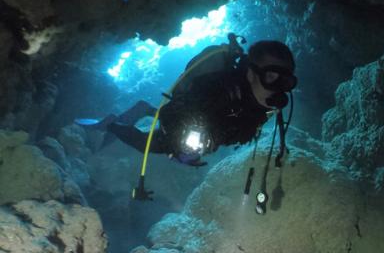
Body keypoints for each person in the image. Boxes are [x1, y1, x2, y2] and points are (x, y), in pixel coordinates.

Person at [78, 38, 297, 167]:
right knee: (149, 145)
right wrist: (184, 148)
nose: (278, 89)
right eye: (271, 77)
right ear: (250, 73)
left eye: (286, 81)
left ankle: (146, 109)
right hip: (180, 118)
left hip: (207, 129)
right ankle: (111, 124)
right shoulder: (218, 90)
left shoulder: (266, 105)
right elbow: (177, 114)